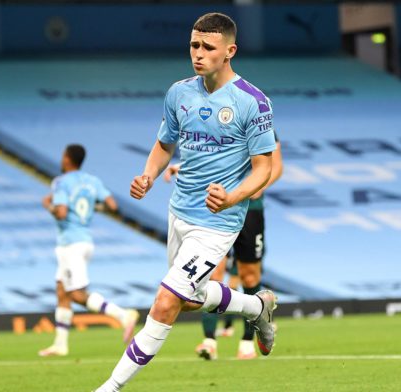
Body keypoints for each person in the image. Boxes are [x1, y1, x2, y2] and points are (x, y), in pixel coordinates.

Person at [96, 12, 278, 391]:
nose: (198, 53)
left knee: (165, 302)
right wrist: (148, 174)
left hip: (217, 222)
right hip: (179, 211)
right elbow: (165, 144)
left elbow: (264, 169)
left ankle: (109, 387)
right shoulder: (179, 92)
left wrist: (232, 198)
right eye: (194, 45)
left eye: (207, 47)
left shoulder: (253, 102)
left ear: (230, 51)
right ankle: (258, 307)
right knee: (190, 301)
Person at [165, 134, 282, 360]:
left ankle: (247, 340)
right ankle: (209, 340)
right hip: (216, 209)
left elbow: (275, 166)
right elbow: (210, 158)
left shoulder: (259, 118)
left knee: (249, 277)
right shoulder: (215, 116)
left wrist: (260, 185)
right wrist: (181, 167)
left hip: (250, 208)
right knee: (212, 275)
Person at [39, 144, 140, 357]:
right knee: (62, 291)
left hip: (71, 243)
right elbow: (112, 205)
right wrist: (91, 207)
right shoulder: (92, 181)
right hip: (84, 240)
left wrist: (48, 206)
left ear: (67, 159)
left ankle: (123, 315)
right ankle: (60, 344)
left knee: (76, 294)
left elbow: (62, 213)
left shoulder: (61, 182)